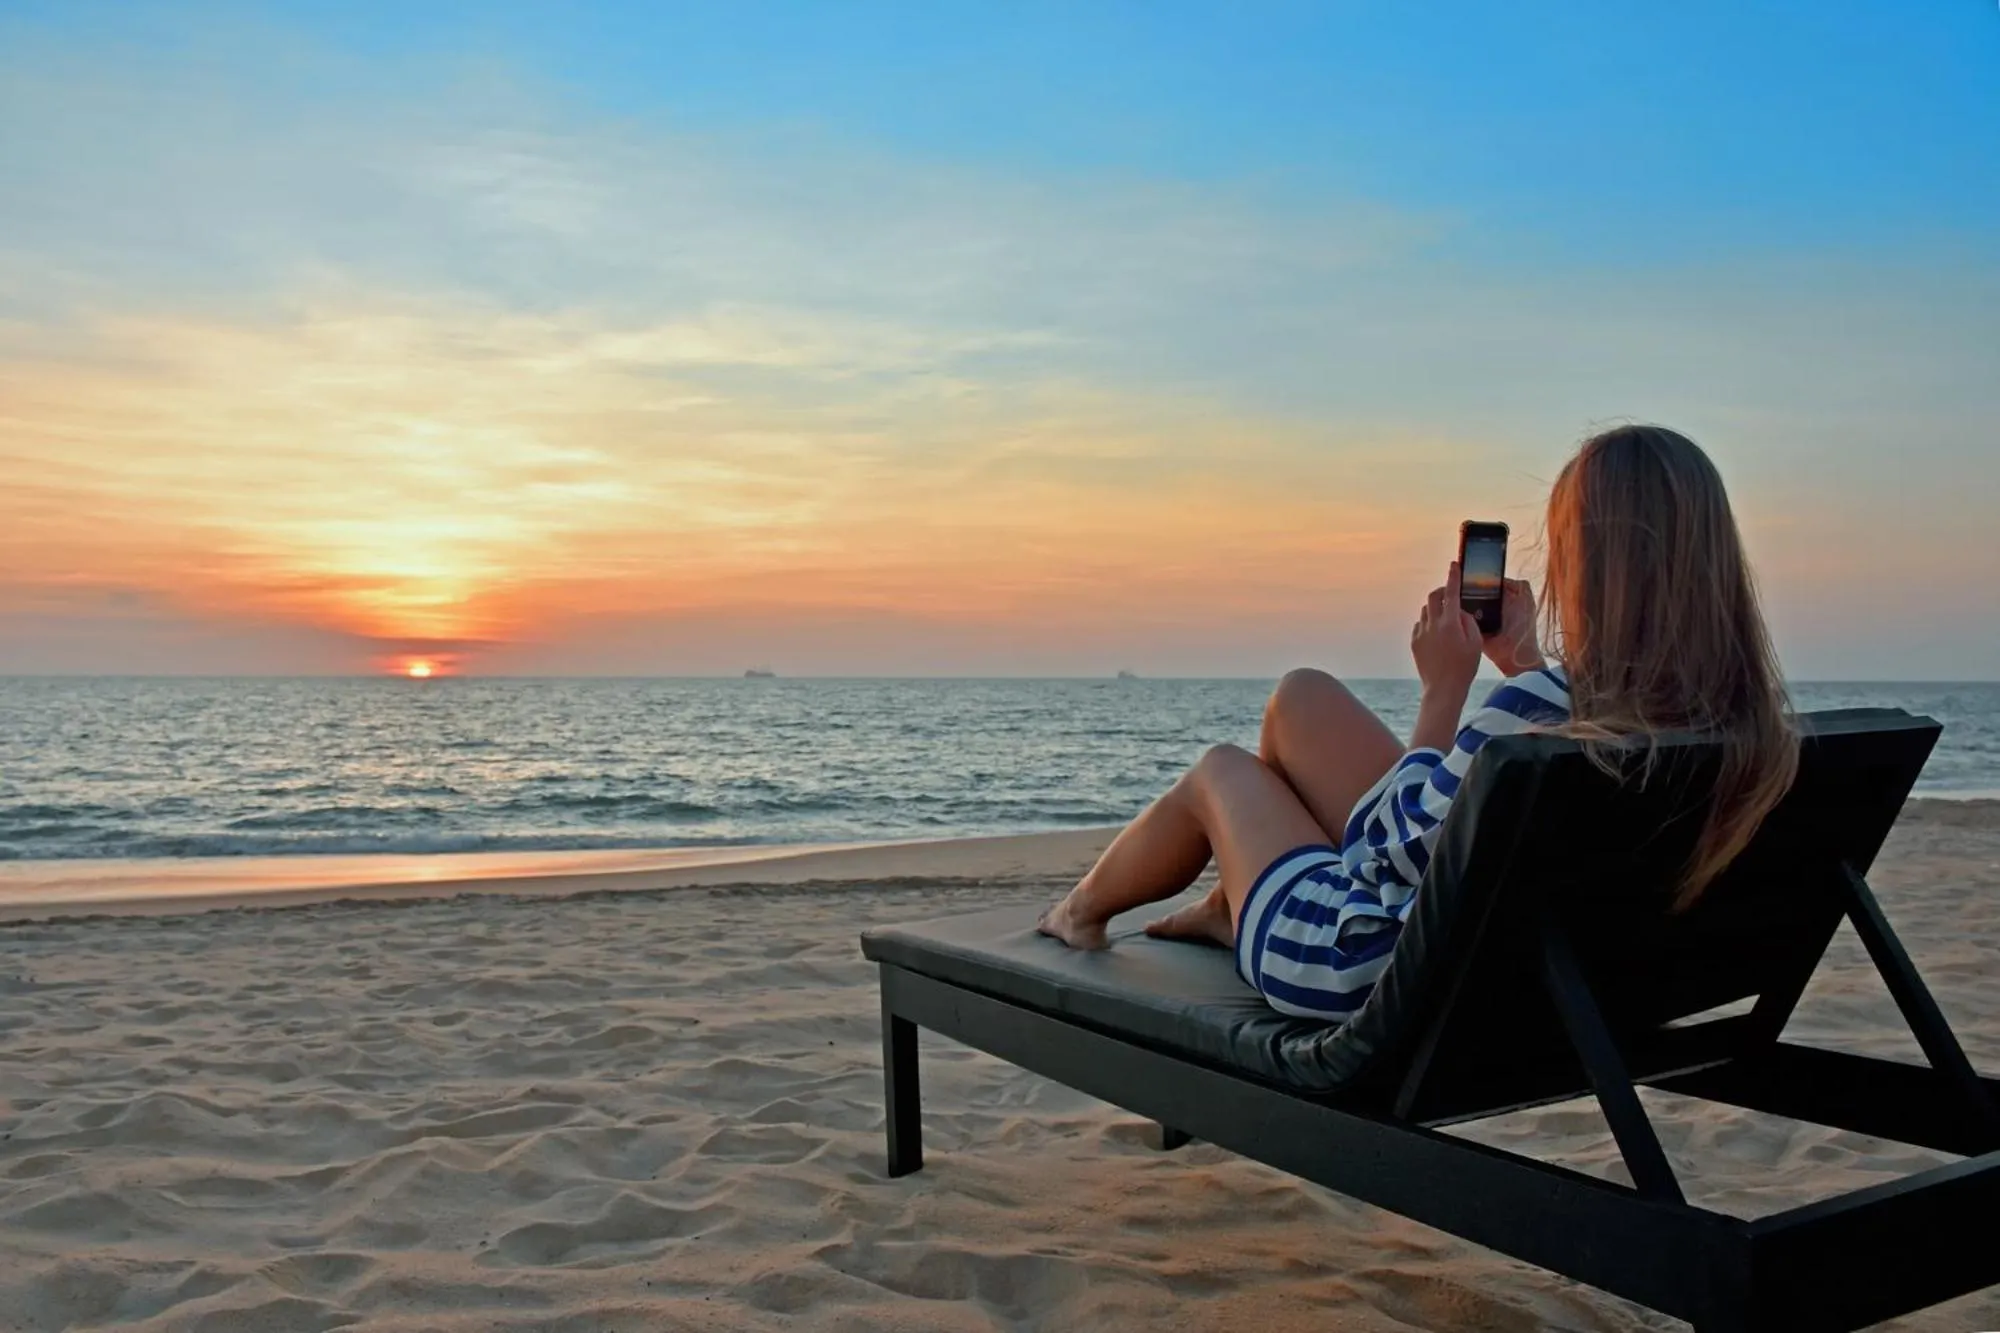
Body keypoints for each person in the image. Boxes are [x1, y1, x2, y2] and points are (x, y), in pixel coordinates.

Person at [1036, 424, 1798, 1021]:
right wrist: (1524, 664)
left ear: (1586, 563)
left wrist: (1445, 691)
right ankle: (1227, 906)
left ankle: (1079, 913)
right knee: (1302, 697)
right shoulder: (1737, 725)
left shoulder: (1532, 715)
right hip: (1545, 971)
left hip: (1365, 969)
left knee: (1219, 769)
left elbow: (1375, 857)